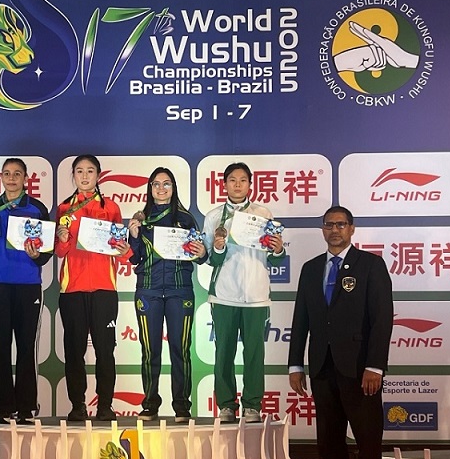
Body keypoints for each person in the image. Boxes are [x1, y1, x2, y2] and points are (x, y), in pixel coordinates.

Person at [288, 206, 393, 459]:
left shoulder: (371, 265)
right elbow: (301, 319)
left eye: (341, 224)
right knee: (329, 443)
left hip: (360, 370)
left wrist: (375, 366)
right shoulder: (311, 269)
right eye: (329, 225)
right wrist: (295, 364)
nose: (335, 230)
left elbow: (382, 319)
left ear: (352, 229)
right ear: (323, 230)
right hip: (322, 368)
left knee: (368, 443)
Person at [202, 162, 285, 423]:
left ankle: (252, 406)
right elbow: (210, 259)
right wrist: (218, 247)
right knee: (223, 353)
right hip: (224, 295)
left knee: (254, 355)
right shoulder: (214, 216)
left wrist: (278, 249)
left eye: (243, 180)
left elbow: (275, 257)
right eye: (232, 180)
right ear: (224, 184)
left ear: (250, 184)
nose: (237, 185)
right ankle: (226, 405)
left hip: (256, 295)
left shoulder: (263, 214)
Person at [127, 167, 207, 422]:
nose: (161, 189)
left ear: (174, 188)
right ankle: (150, 404)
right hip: (148, 290)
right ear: (150, 188)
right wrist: (134, 235)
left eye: (166, 184)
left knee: (180, 349)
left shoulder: (185, 218)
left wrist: (202, 251)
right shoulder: (141, 218)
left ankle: (182, 406)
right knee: (150, 350)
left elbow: (201, 257)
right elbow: (134, 258)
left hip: (179, 290)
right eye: (156, 184)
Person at [55, 154, 130, 421]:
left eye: (90, 171)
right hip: (72, 290)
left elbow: (122, 253)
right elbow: (60, 252)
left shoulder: (111, 208)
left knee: (105, 350)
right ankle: (78, 405)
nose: (85, 176)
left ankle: (105, 405)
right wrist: (63, 238)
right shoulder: (64, 208)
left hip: (104, 290)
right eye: (79, 171)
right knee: (74, 351)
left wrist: (124, 249)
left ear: (98, 175)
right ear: (73, 175)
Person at [0, 158, 51, 424]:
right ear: (1, 178)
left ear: (25, 178)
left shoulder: (37, 209)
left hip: (27, 284)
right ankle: (3, 407)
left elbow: (46, 251)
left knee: (26, 347)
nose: (11, 178)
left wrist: (38, 254)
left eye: (17, 174)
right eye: (7, 174)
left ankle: (27, 407)